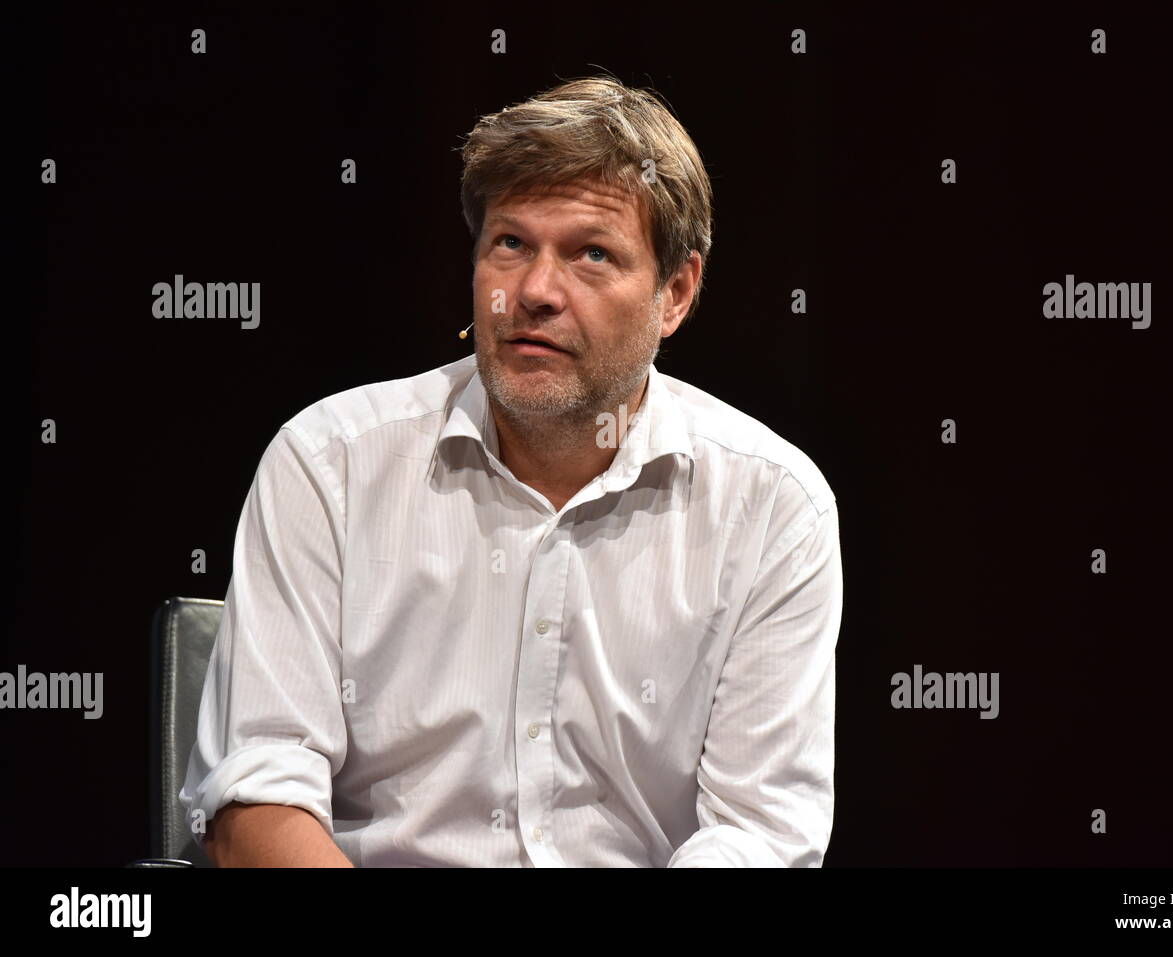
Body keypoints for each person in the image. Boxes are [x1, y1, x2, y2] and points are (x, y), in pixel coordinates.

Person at [179, 75, 842, 867]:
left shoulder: (772, 504)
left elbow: (758, 832)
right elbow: (258, 795)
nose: (533, 291)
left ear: (675, 293)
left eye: (591, 254)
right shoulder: (329, 463)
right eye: (511, 244)